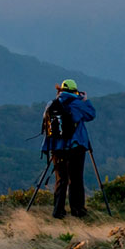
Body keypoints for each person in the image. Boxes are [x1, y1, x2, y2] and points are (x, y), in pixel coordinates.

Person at [40, 79, 97, 219]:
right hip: (75, 147)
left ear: (60, 90)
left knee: (61, 179)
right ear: (75, 91)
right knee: (76, 179)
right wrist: (85, 100)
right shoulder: (77, 103)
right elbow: (91, 114)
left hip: (56, 148)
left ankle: (58, 211)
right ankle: (77, 210)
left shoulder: (51, 104)